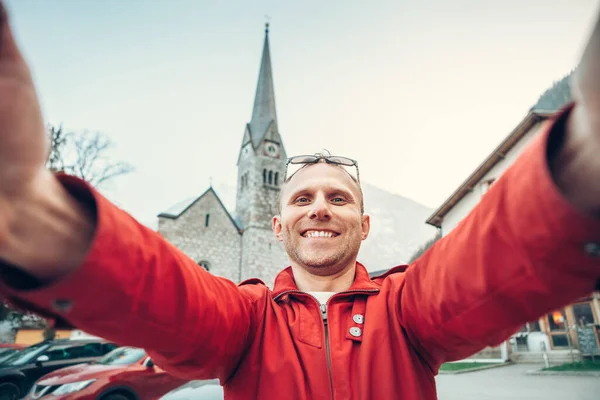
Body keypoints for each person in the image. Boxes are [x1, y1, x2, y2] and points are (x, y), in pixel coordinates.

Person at [0, 3, 599, 399]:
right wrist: (32, 215)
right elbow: (166, 296)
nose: (319, 208)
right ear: (279, 224)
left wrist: (582, 161)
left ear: (364, 225)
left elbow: (482, 267)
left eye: (338, 198)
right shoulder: (245, 319)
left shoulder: (406, 310)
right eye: (303, 197)